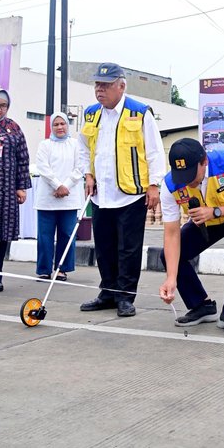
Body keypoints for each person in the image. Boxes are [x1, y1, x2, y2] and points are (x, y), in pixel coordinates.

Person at [78, 63, 166, 317]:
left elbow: (154, 152)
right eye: (97, 85)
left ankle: (125, 297)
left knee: (128, 249)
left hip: (131, 194)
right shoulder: (92, 114)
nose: (99, 90)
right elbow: (83, 148)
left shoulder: (139, 113)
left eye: (105, 85)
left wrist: (153, 185)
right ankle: (108, 293)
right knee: (104, 247)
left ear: (121, 86)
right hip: (101, 194)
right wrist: (87, 174)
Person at [159, 138, 224, 335]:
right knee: (169, 256)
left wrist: (215, 212)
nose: (187, 181)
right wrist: (171, 278)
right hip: (205, 221)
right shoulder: (169, 185)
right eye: (182, 176)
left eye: (190, 175)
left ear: (203, 162)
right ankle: (201, 305)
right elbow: (171, 234)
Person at [34, 111, 84, 281]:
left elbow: (80, 167)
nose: (60, 127)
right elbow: (43, 167)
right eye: (56, 124)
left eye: (62, 124)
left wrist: (66, 186)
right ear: (51, 127)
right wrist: (57, 185)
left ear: (67, 125)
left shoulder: (76, 145)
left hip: (69, 199)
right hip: (47, 199)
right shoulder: (44, 145)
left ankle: (62, 269)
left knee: (67, 234)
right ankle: (44, 269)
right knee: (45, 236)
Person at [0, 89, 31, 292]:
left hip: (6, 192)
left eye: (3, 105)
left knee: (1, 235)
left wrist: (21, 187)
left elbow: (23, 160)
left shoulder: (14, 128)